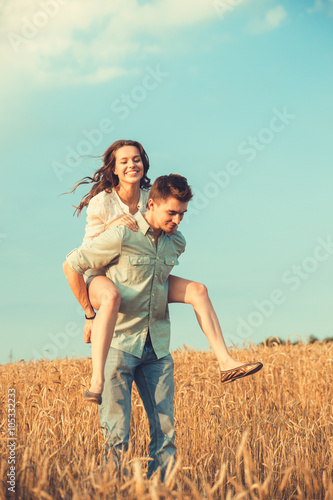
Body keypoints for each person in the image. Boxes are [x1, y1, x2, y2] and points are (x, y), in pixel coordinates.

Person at [64, 139, 262, 402]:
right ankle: (97, 380)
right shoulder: (102, 202)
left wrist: (170, 217)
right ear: (113, 169)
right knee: (111, 296)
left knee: (198, 291)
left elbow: (168, 202)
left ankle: (225, 362)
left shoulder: (150, 196)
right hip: (102, 272)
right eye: (124, 161)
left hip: (141, 272)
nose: (131, 165)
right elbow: (88, 251)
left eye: (136, 159)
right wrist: (90, 314)